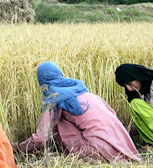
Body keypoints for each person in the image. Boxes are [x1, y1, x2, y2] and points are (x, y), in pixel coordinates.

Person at [12, 61, 140, 162]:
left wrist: (17, 147)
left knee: (59, 120)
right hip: (124, 148)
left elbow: (41, 138)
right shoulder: (87, 93)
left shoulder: (53, 99)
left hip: (98, 153)